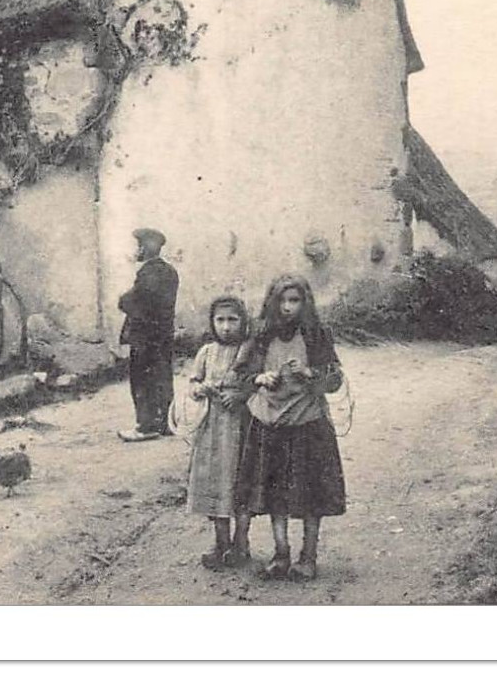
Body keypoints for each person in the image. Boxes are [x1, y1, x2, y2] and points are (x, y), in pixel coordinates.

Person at [234, 274, 346, 581]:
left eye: (294, 301)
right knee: (274, 492)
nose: (287, 307)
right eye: (281, 301)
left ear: (305, 302)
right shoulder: (261, 335)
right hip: (269, 424)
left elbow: (334, 380)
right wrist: (259, 378)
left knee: (311, 493)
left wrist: (311, 373)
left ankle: (308, 555)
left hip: (307, 423)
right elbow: (241, 375)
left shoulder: (317, 334)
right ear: (271, 302)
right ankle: (280, 553)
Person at [185, 295, 255, 570]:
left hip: (240, 428)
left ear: (243, 321)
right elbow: (193, 381)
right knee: (215, 482)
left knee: (239, 482)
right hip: (212, 430)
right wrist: (199, 389)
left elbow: (257, 384)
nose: (226, 327)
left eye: (232, 320)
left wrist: (240, 395)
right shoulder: (206, 352)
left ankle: (241, 541)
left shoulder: (249, 352)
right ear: (212, 323)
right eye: (220, 320)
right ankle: (221, 542)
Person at [116, 227, 179, 443]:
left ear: (146, 247)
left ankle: (146, 425)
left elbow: (137, 300)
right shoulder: (169, 271)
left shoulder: (148, 273)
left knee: (142, 380)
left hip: (145, 338)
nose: (137, 250)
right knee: (162, 377)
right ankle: (164, 423)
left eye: (139, 245)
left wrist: (123, 300)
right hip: (163, 336)